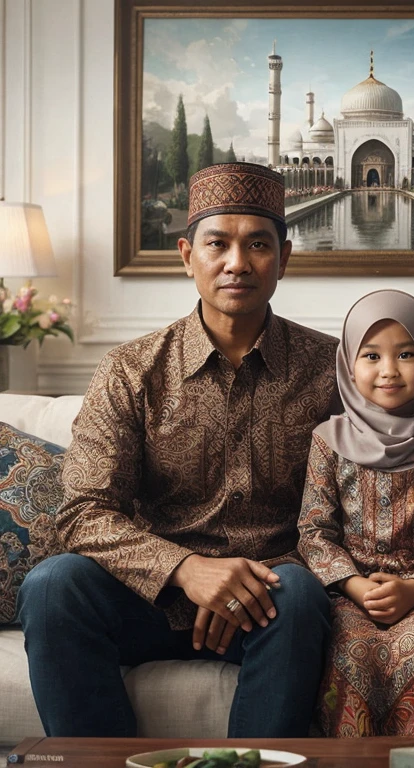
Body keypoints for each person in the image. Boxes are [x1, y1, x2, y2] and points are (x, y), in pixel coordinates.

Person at [18, 162, 340, 738]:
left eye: (258, 245)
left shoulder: (331, 371)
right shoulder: (132, 370)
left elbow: (357, 510)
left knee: (298, 595)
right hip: (150, 599)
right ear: (187, 255)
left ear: (284, 259)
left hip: (271, 605)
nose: (237, 263)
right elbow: (84, 513)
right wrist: (187, 571)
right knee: (53, 586)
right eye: (218, 244)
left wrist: (247, 584)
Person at [297, 289, 414, 736]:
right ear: (348, 364)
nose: (388, 370)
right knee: (346, 652)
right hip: (348, 594)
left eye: (406, 354)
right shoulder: (328, 439)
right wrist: (356, 586)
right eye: (371, 355)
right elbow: (313, 530)